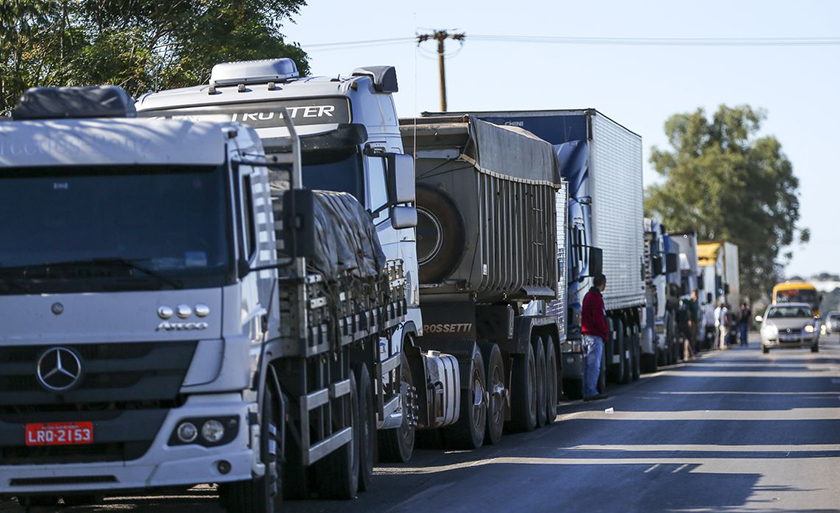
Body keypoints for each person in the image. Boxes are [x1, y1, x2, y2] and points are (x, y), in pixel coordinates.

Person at [581, 273, 609, 401]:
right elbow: (598, 319)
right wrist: (605, 331)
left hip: (586, 335)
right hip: (594, 336)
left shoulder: (587, 296)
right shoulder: (596, 298)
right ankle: (591, 391)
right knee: (594, 365)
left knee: (587, 366)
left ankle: (587, 391)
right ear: (602, 284)